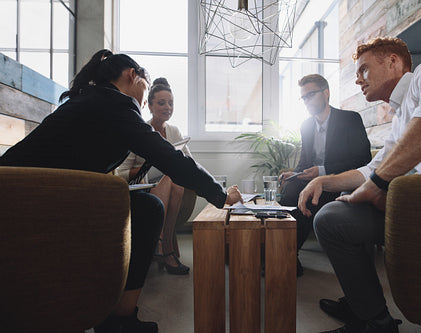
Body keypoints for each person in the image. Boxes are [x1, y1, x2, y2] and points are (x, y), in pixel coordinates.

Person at [0, 49, 243, 333]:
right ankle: (120, 320)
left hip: (22, 195)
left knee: (140, 206)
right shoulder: (115, 105)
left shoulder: (90, 100)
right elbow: (171, 159)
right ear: (132, 76)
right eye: (146, 87)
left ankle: (116, 314)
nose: (145, 98)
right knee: (148, 209)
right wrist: (220, 195)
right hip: (23, 200)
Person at [298, 37, 421, 333]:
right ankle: (374, 319)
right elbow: (373, 167)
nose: (357, 80)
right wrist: (324, 180)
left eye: (364, 70)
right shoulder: (402, 116)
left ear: (393, 61)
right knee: (332, 219)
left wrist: (378, 184)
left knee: (347, 211)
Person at [278, 74, 371, 276]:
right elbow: (304, 162)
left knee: (307, 197)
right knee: (291, 189)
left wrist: (322, 171)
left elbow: (362, 160)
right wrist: (293, 174)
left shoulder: (350, 119)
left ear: (326, 93)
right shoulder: (306, 126)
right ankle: (286, 254)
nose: (306, 101)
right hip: (314, 181)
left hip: (340, 182)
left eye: (310, 95)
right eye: (303, 97)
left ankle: (287, 254)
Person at [116, 77, 192, 275]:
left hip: (168, 185)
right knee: (167, 173)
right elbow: (121, 172)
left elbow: (190, 163)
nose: (167, 107)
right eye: (161, 103)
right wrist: (147, 171)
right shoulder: (140, 131)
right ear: (149, 106)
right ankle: (165, 248)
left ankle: (162, 244)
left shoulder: (174, 131)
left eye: (171, 103)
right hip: (139, 184)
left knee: (174, 180)